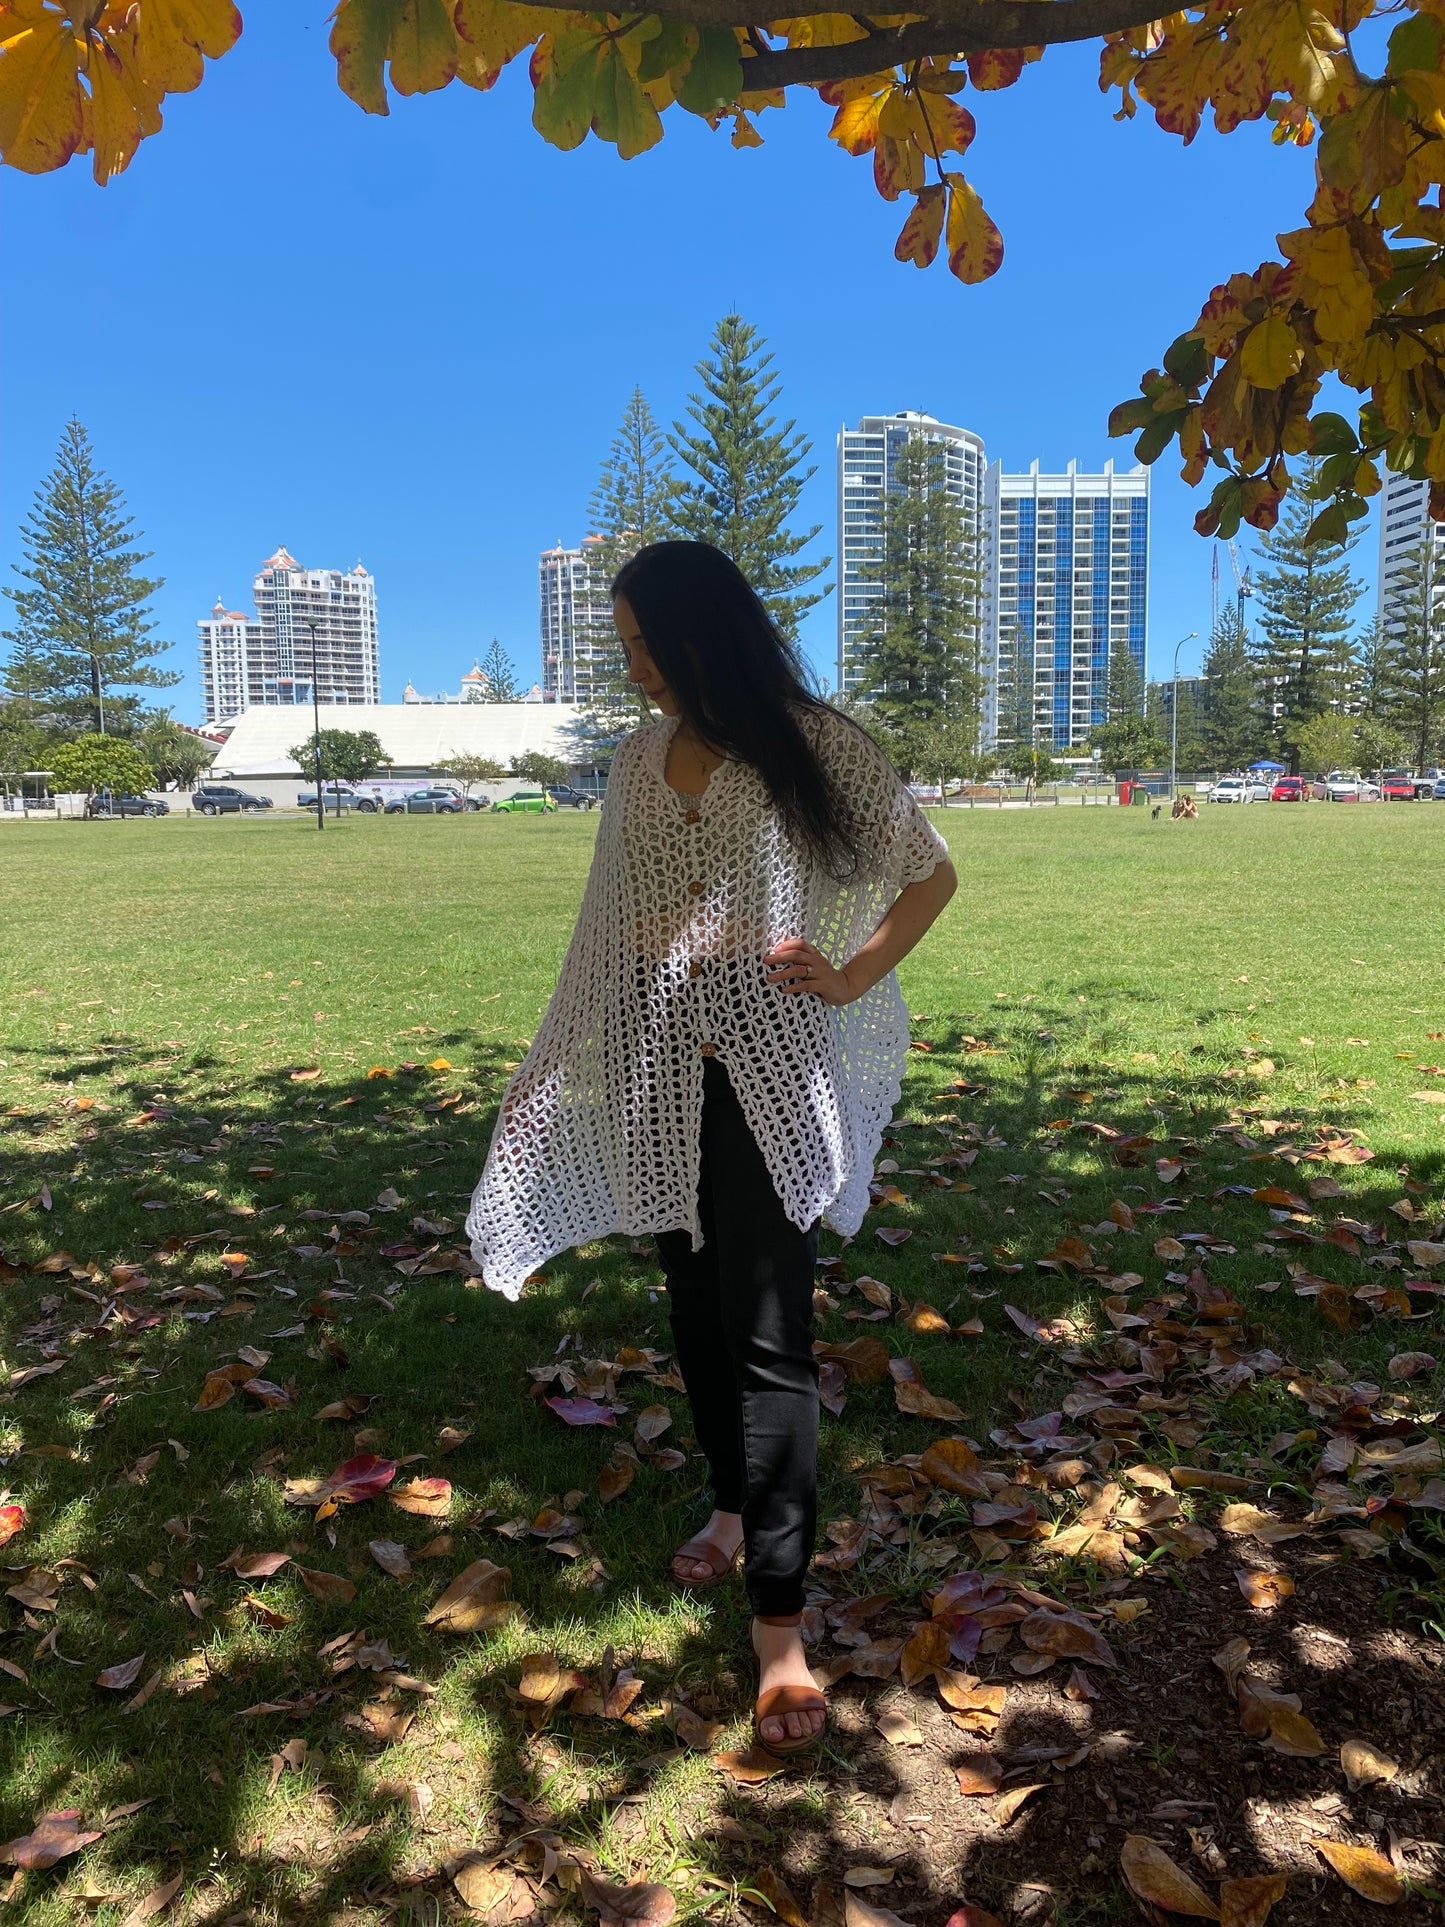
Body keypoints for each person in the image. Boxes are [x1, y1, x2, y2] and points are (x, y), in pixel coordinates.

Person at [466, 541, 957, 1756]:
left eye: (650, 642)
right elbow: (602, 927)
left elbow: (926, 873)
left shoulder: (814, 743)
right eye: (624, 645)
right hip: (654, 1064)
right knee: (692, 1303)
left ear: (708, 631)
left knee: (771, 1334)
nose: (635, 666)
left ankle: (778, 1629)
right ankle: (731, 1505)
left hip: (770, 1069)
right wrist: (553, 1073)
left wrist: (848, 973)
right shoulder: (636, 762)